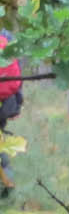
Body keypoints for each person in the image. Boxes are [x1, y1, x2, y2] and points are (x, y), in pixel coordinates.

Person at [0, 30, 22, 198]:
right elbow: (18, 80)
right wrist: (17, 105)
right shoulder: (8, 39)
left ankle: (7, 190)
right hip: (5, 104)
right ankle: (8, 189)